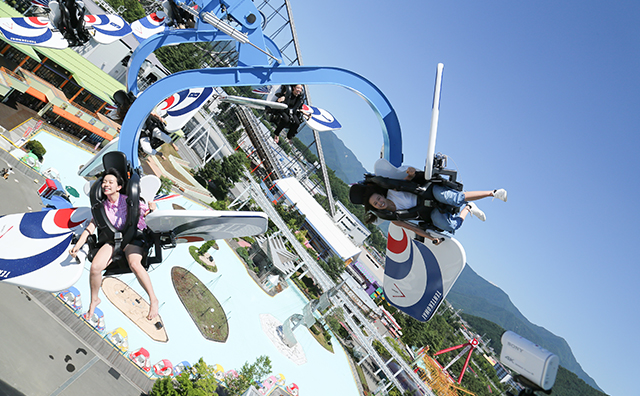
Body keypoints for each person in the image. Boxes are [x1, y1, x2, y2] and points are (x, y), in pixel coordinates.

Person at [69, 168, 159, 320]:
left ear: (118, 187)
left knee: (135, 263)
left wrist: (152, 209)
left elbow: (146, 214)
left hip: (132, 237)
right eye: (104, 182)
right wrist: (77, 246)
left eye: (110, 182)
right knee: (95, 267)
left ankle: (153, 299)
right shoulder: (102, 206)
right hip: (114, 240)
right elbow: (91, 227)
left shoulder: (129, 201)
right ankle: (94, 300)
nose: (106, 185)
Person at [355, 159, 507, 244]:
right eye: (376, 204)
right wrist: (431, 238)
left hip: (429, 193)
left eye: (379, 198)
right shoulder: (393, 218)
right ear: (376, 208)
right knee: (451, 226)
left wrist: (412, 173)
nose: (380, 202)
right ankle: (468, 208)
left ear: (381, 195)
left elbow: (407, 180)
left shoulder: (392, 191)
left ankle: (492, 193)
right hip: (427, 212)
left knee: (454, 198)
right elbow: (414, 229)